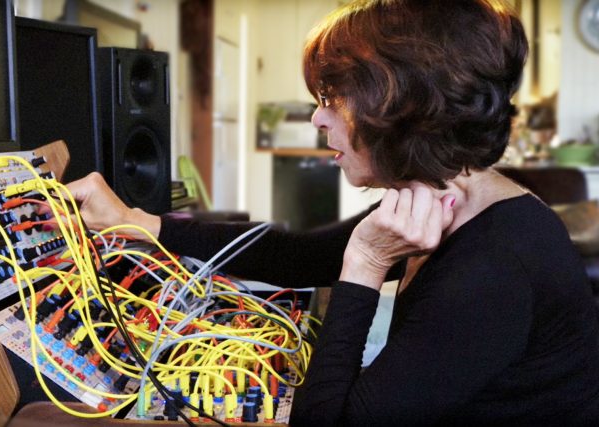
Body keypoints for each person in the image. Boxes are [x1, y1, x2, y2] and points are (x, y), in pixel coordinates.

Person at [64, 0, 599, 425]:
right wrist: (138, 221)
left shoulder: (494, 266)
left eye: (333, 96)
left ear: (399, 104)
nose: (318, 118)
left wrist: (365, 263)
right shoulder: (453, 194)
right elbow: (294, 253)